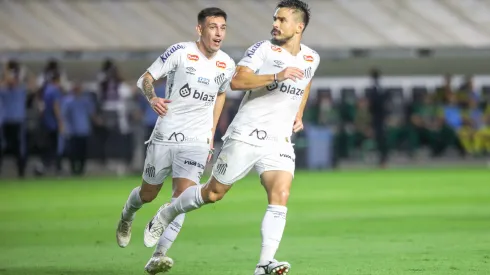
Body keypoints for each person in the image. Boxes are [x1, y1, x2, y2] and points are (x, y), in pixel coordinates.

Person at [143, 1, 319, 274]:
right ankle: (168, 212)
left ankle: (264, 264)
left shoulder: (311, 57)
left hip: (279, 141)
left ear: (299, 26)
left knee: (280, 193)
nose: (274, 24)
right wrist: (277, 75)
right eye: (275, 18)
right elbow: (237, 82)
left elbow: (305, 81)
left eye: (281, 20)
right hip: (246, 134)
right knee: (213, 193)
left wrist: (299, 112)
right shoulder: (263, 50)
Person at [114, 7, 235, 274]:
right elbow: (146, 78)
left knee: (183, 197)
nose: (218, 33)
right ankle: (127, 216)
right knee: (148, 194)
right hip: (166, 134)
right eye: (213, 27)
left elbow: (221, 95)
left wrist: (211, 134)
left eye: (223, 28)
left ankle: (159, 255)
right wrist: (152, 98)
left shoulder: (227, 63)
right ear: (200, 29)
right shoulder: (180, 52)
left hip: (197, 139)